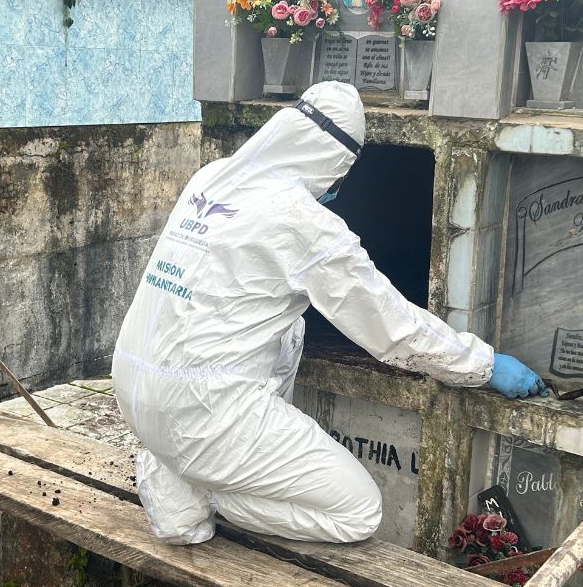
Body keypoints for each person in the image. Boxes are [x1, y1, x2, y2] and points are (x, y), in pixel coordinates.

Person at [112, 81, 546, 546]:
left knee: (290, 328)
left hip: (133, 389)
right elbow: (391, 328)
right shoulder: (301, 220)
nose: (338, 187)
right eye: (343, 173)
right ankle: (207, 488)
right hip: (201, 411)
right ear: (335, 161)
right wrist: (483, 366)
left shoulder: (214, 178)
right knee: (358, 512)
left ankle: (175, 473)